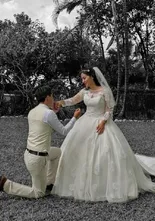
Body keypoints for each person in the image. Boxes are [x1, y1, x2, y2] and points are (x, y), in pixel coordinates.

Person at [52, 67, 155, 203]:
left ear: (92, 77)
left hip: (101, 122)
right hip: (85, 122)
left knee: (107, 152)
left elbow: (109, 109)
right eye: (82, 78)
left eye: (84, 78)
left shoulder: (104, 91)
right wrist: (60, 103)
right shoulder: (84, 92)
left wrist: (103, 121)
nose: (83, 81)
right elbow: (72, 100)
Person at [0, 85, 81, 199]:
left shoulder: (32, 112)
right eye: (52, 96)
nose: (53, 98)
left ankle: (49, 183)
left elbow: (45, 126)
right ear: (47, 97)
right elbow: (64, 131)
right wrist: (75, 118)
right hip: (38, 160)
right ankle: (5, 184)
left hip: (29, 155)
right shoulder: (49, 114)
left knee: (57, 152)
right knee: (38, 193)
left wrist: (54, 111)